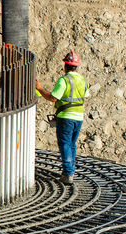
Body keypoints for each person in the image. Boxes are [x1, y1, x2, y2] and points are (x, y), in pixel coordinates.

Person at [35, 51, 90, 184]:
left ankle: (68, 173)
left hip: (66, 117)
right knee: (71, 144)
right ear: (76, 66)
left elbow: (53, 97)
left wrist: (40, 89)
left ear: (65, 65)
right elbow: (85, 97)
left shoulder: (64, 80)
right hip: (79, 117)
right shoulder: (83, 80)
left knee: (64, 144)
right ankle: (70, 170)